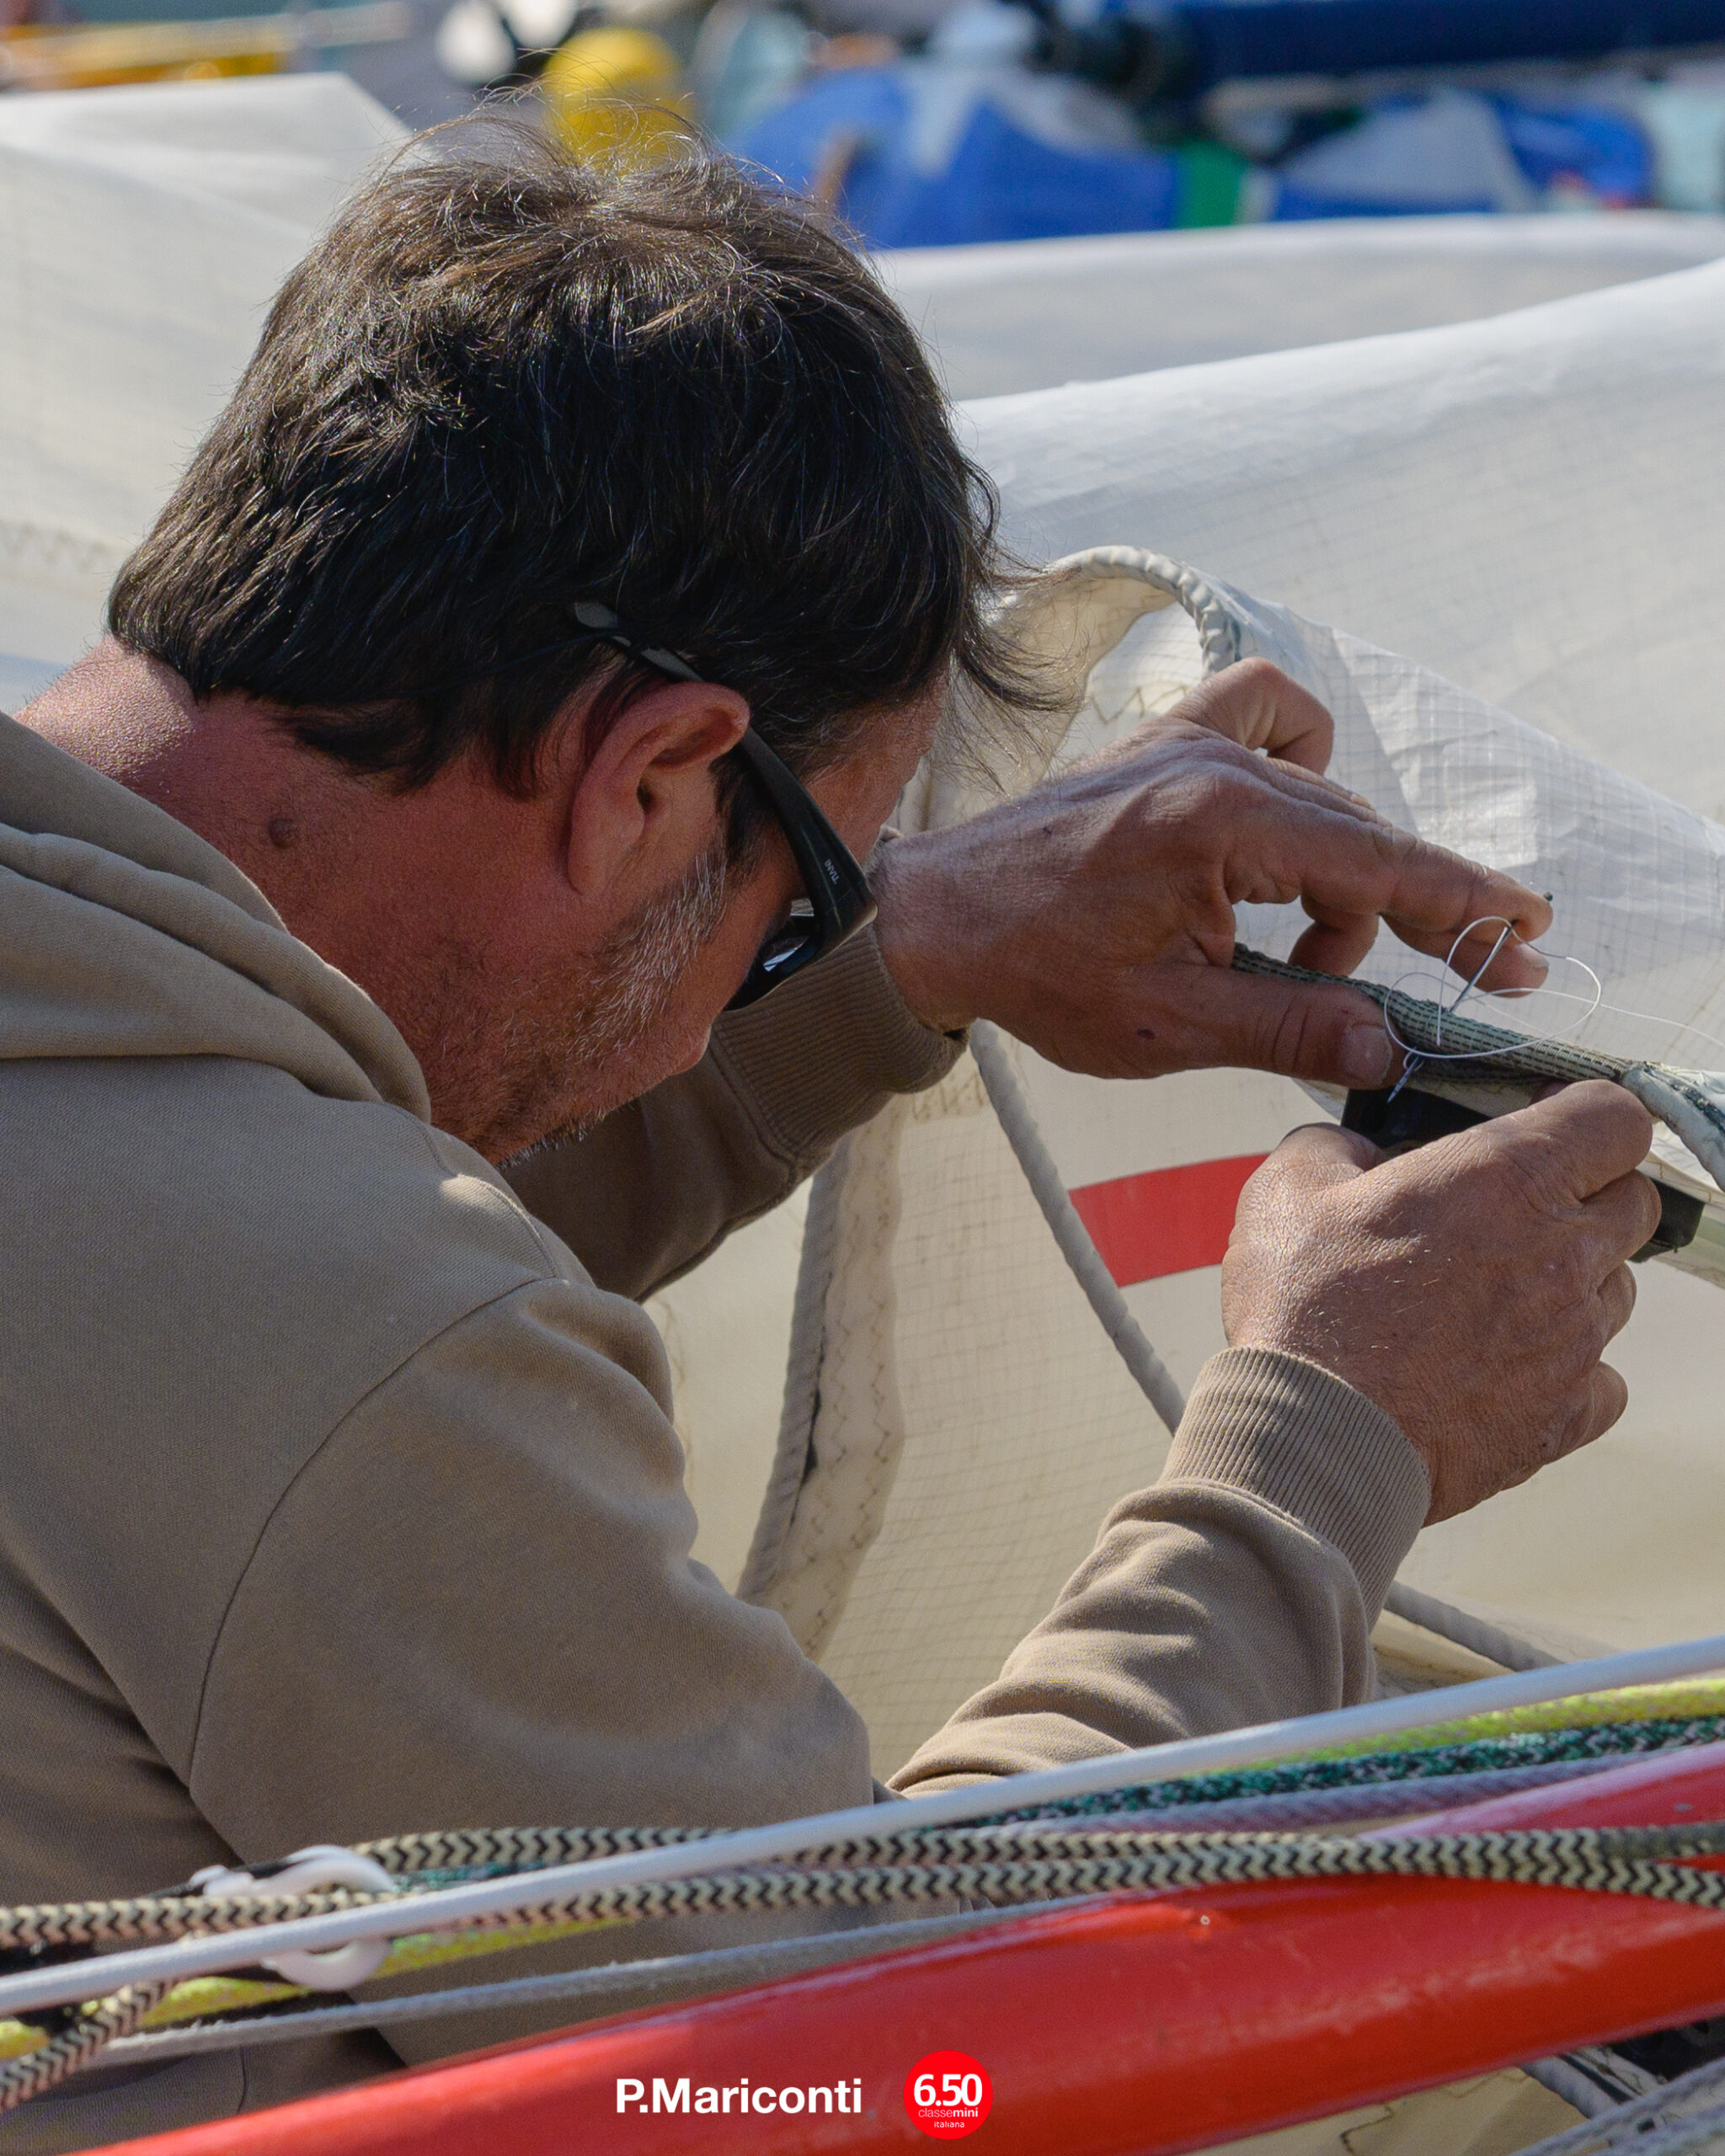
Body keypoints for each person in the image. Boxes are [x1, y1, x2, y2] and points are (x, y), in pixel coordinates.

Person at [0, 131, 1657, 2145]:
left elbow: (229, 1344)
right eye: (807, 902)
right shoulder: (325, 1327)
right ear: (652, 773)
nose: (729, 1006)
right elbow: (889, 2070)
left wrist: (887, 956)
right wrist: (1325, 1438)